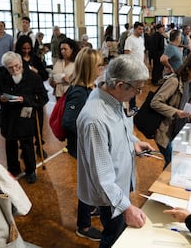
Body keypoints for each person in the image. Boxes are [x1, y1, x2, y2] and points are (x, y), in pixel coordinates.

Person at [76, 54, 155, 248]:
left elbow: (120, 128)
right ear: (120, 85)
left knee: (117, 233)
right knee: (114, 236)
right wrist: (126, 207)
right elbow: (101, 177)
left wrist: (133, 143)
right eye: (137, 89)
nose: (138, 93)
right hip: (111, 196)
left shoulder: (112, 96)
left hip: (119, 186)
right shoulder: (95, 119)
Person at [61, 48, 104, 241]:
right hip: (82, 146)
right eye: (99, 66)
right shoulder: (79, 93)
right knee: (87, 184)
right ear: (89, 68)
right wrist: (90, 134)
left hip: (87, 146)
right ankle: (84, 226)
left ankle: (91, 208)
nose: (102, 69)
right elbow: (69, 121)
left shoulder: (89, 89)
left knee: (92, 182)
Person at [0, 51, 48, 183]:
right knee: (10, 144)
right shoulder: (3, 76)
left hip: (25, 116)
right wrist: (0, 97)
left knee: (27, 145)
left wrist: (25, 99)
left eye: (17, 66)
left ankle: (31, 171)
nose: (14, 69)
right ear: (6, 67)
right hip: (8, 117)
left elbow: (43, 98)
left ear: (21, 63)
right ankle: (13, 169)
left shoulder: (33, 77)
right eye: (10, 68)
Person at [151, 54, 191, 168]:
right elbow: (155, 102)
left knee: (175, 161)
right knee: (172, 162)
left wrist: (189, 116)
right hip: (164, 129)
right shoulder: (174, 81)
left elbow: (185, 104)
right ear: (188, 69)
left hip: (177, 128)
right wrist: (176, 112)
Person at [15, 35, 49, 158]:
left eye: (28, 48)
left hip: (36, 97)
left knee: (38, 124)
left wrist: (37, 72)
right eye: (24, 48)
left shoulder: (35, 59)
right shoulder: (17, 60)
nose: (26, 51)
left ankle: (39, 146)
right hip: (23, 97)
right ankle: (25, 149)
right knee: (24, 126)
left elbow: (45, 75)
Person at [124, 21, 145, 113]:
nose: (141, 31)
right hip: (132, 68)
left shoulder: (141, 39)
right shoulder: (130, 39)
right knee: (132, 87)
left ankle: (134, 106)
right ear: (135, 29)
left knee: (137, 88)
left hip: (140, 67)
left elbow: (141, 53)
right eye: (139, 29)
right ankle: (131, 107)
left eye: (142, 29)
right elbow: (127, 53)